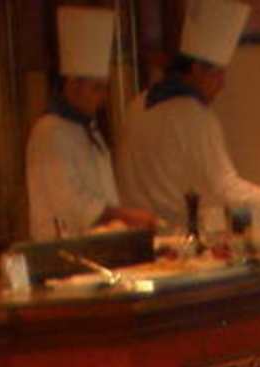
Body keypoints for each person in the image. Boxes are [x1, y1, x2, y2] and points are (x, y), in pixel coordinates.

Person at [115, 0, 260, 231]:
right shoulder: (194, 116)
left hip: (136, 237)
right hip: (179, 237)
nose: (222, 85)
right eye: (218, 74)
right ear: (197, 69)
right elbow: (223, 188)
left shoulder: (137, 104)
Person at [25, 8, 153, 240]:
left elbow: (105, 195)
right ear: (73, 86)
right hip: (61, 249)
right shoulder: (48, 132)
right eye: (96, 88)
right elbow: (73, 204)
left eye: (104, 88)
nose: (103, 98)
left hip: (98, 243)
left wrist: (123, 220)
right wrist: (125, 216)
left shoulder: (90, 130)